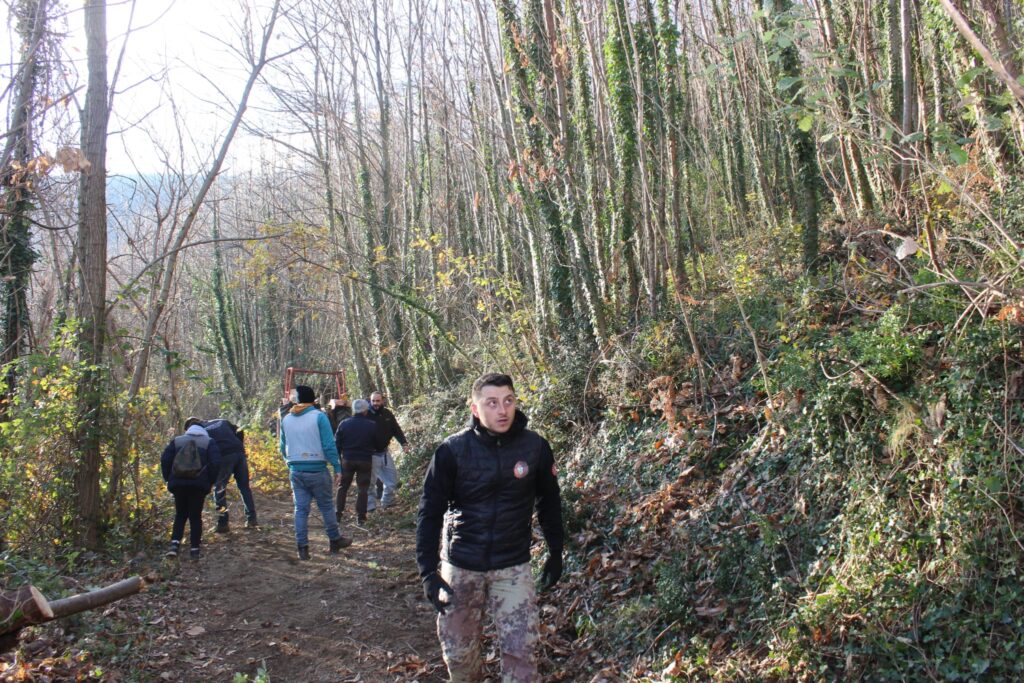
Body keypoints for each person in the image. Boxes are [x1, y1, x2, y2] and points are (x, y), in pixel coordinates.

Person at [416, 373, 564, 682]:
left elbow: (549, 501)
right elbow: (429, 513)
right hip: (461, 566)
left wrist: (556, 551)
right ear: (475, 408)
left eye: (508, 401)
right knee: (460, 655)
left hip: (513, 566)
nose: (502, 410)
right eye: (492, 403)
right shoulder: (451, 451)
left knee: (521, 653)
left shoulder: (535, 447)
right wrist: (429, 572)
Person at [280, 384, 352, 560]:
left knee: (301, 509)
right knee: (326, 506)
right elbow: (328, 445)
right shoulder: (319, 417)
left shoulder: (286, 419)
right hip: (317, 469)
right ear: (313, 400)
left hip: (296, 470)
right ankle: (335, 539)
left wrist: (289, 463)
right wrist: (337, 467)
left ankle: (302, 547)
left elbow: (282, 446)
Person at [160, 421, 222, 560]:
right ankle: (194, 550)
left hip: (178, 484)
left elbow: (165, 460)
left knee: (180, 514)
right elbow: (216, 463)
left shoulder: (177, 441)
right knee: (195, 516)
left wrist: (168, 478)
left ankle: (174, 545)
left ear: (188, 429)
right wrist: (210, 481)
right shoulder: (209, 442)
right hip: (198, 486)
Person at [185, 416, 258, 531]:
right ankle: (252, 519)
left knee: (219, 489)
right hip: (239, 453)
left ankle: (223, 524)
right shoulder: (221, 421)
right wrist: (240, 446)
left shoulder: (199, 432)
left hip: (224, 456)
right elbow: (240, 430)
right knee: (244, 487)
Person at [333, 398, 376, 524]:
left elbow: (337, 444)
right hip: (365, 460)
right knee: (363, 488)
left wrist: (338, 459)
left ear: (353, 409)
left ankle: (338, 513)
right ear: (365, 410)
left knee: (343, 487)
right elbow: (377, 443)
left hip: (348, 459)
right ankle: (361, 517)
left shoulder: (344, 424)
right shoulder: (371, 425)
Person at [367, 391, 409, 511]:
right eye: (373, 401)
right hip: (370, 455)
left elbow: (396, 429)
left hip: (384, 453)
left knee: (392, 480)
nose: (375, 403)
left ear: (382, 401)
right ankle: (370, 508)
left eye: (378, 401)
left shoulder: (387, 414)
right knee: (370, 483)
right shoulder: (366, 414)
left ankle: (386, 503)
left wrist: (404, 443)